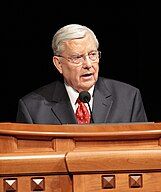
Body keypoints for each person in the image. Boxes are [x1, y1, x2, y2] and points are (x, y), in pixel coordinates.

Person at [16, 24, 148, 124]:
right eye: (77, 58)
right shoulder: (32, 109)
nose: (88, 64)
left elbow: (143, 152)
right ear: (58, 64)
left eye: (92, 55)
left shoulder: (129, 98)